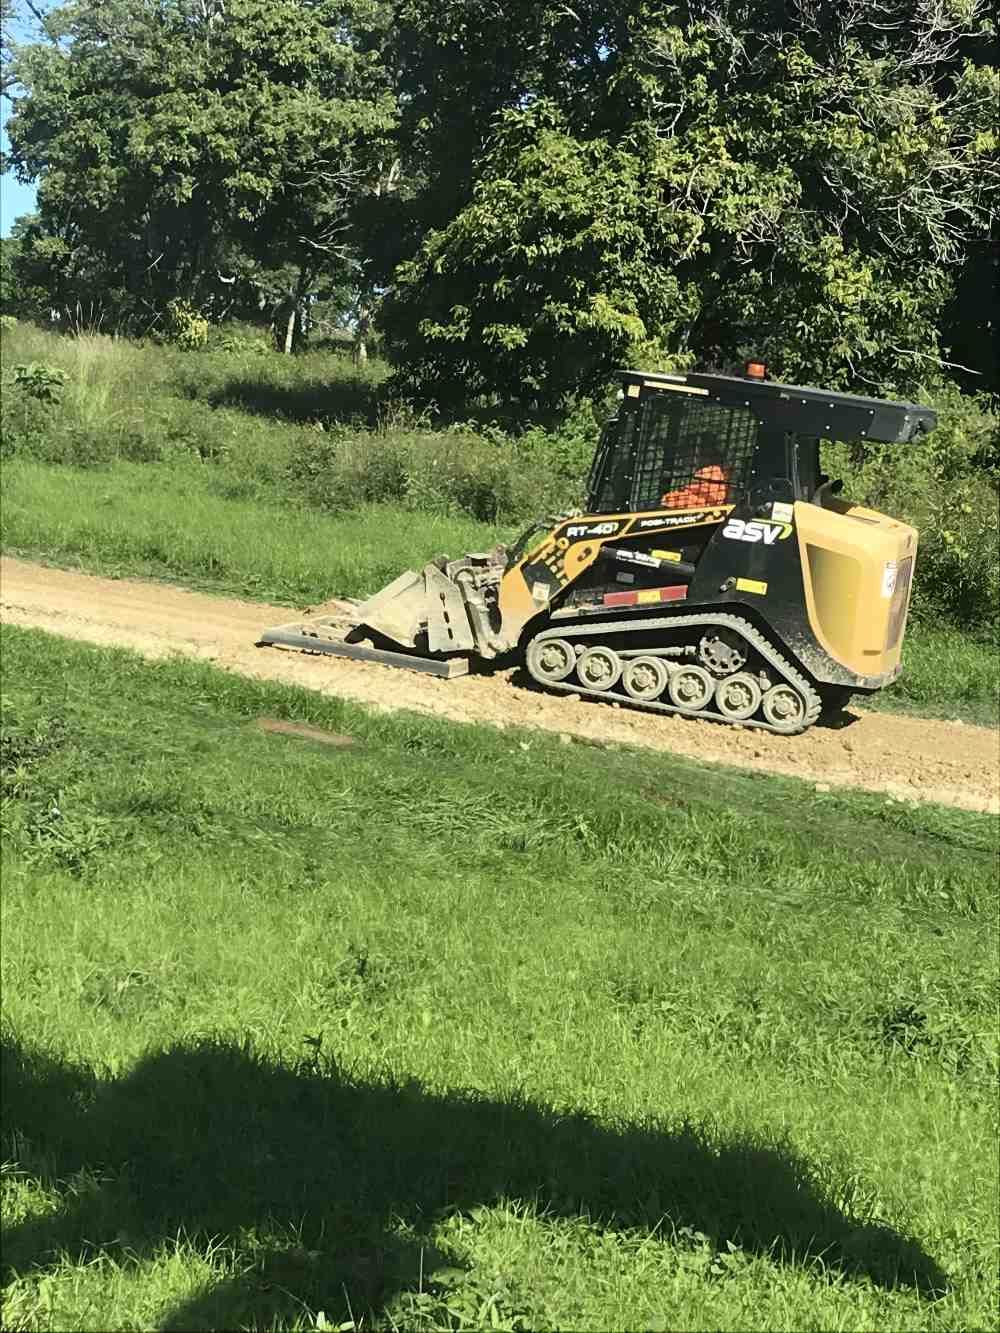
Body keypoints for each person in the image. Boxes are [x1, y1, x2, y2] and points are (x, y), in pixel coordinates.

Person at [660, 439, 731, 509]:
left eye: (685, 454)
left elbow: (705, 498)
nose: (682, 459)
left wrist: (669, 500)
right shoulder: (707, 471)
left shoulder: (711, 472)